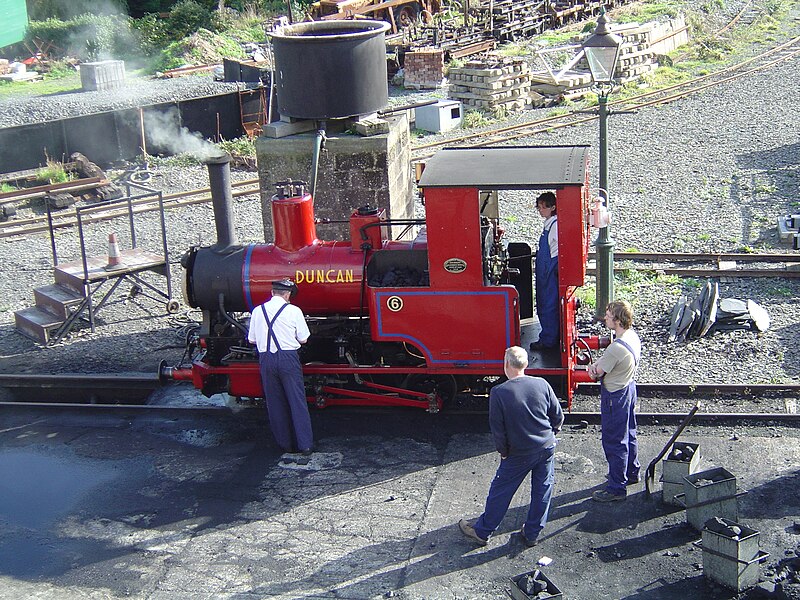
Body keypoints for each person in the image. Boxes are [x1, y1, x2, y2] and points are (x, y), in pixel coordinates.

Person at [459, 346, 564, 547]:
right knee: (542, 490)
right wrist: (551, 435)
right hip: (547, 446)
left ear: (507, 364)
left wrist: (504, 453)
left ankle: (482, 531)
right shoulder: (541, 384)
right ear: (526, 364)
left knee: (501, 491)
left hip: (519, 453)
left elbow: (498, 430)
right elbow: (558, 416)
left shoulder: (499, 392)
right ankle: (532, 533)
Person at [247, 278, 314, 456]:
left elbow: (252, 339)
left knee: (275, 403)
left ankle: (285, 445)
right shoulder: (294, 311)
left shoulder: (257, 311)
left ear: (272, 293)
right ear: (287, 294)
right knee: (297, 401)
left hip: (266, 358)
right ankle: (305, 445)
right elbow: (303, 338)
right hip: (288, 358)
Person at [588, 300, 642, 502]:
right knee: (630, 432)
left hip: (614, 396)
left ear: (618, 320)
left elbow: (596, 373)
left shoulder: (615, 349)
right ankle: (631, 471)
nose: (605, 319)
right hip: (628, 388)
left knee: (614, 441)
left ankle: (616, 487)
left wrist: (591, 368)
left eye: (609, 316)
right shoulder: (632, 337)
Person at [532, 191, 559, 350]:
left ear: (553, 207)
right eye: (539, 207)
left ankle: (548, 340)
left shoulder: (554, 226)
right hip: (545, 269)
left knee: (548, 304)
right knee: (544, 303)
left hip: (548, 270)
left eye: (544, 207)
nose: (541, 210)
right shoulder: (549, 224)